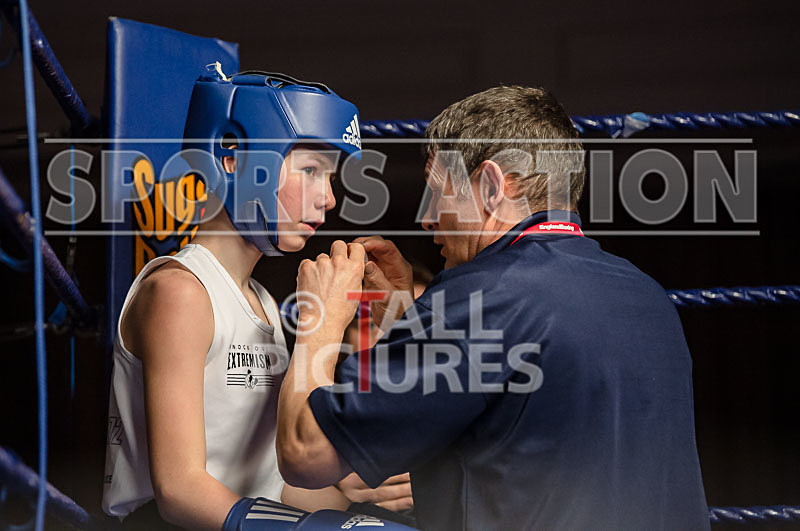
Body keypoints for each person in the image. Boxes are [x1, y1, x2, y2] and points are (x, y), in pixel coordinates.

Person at [276, 86, 710, 530]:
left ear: (490, 186)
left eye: (436, 193)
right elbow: (518, 421)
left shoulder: (481, 297)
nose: (427, 220)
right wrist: (409, 319)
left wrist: (320, 318)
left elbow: (306, 453)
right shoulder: (646, 295)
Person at [102, 68, 411, 530]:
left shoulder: (263, 303)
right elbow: (180, 490)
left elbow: (274, 489)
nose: (328, 198)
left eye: (329, 178)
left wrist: (350, 480)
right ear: (232, 157)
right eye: (310, 171)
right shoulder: (180, 291)